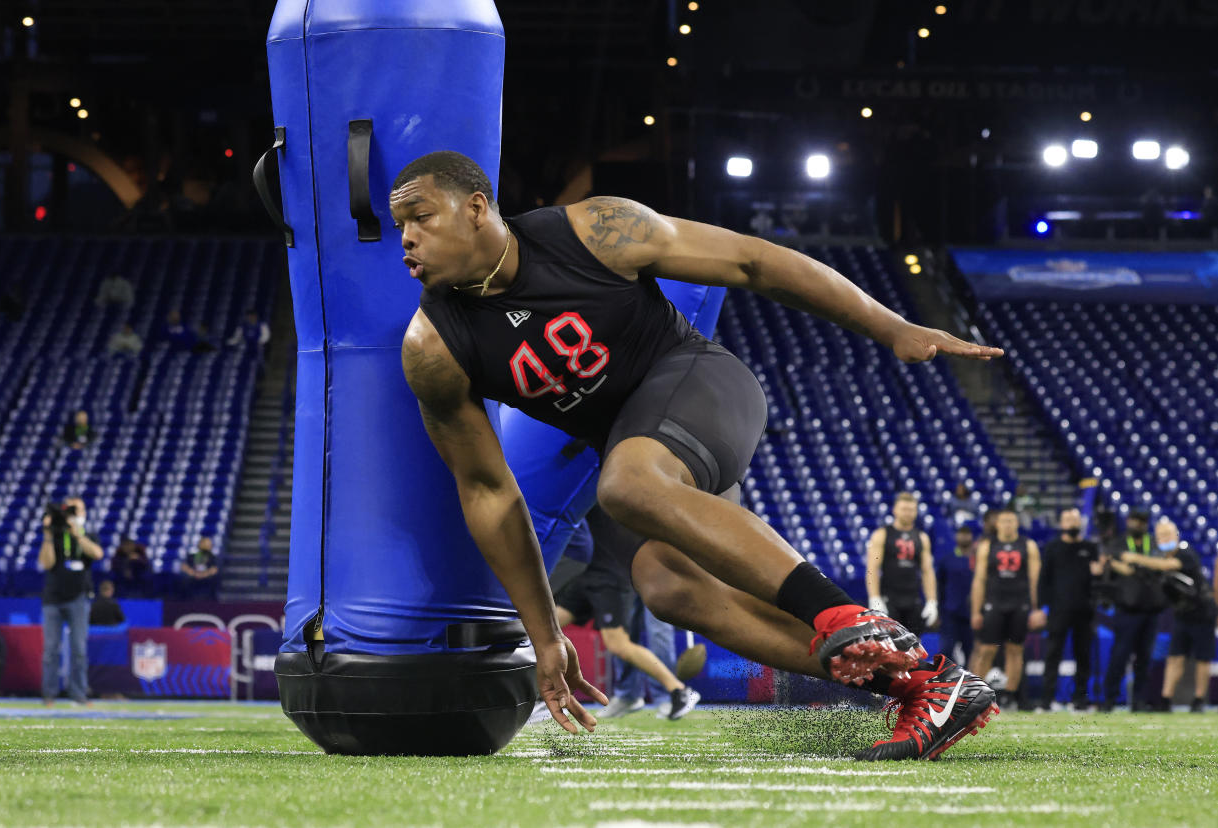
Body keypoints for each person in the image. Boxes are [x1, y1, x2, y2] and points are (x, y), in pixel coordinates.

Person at [392, 150, 1003, 756]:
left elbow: (751, 260)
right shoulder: (434, 348)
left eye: (420, 217)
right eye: (399, 227)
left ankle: (844, 616)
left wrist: (891, 326)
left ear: (476, 208)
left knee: (625, 485)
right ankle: (925, 683)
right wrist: (545, 632)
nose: (407, 240)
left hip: (701, 387)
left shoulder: (592, 230)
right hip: (650, 458)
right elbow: (488, 492)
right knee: (665, 585)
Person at [555, 509, 699, 720]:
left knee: (619, 644)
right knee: (546, 627)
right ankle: (534, 698)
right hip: (586, 573)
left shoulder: (599, 487)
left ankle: (678, 691)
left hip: (610, 577)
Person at [1126, 519, 1215, 713]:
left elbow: (1167, 565)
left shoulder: (1185, 552)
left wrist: (1136, 558)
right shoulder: (1160, 556)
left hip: (1202, 613)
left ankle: (1198, 700)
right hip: (1182, 614)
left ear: (1176, 535)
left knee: (1202, 658)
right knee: (1175, 657)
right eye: (1161, 536)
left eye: (1167, 534)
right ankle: (1165, 699)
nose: (1164, 539)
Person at [969, 509, 1043, 710]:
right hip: (994, 602)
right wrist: (976, 611)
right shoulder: (987, 546)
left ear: (1017, 523)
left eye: (1011, 521)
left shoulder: (1028, 545)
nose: (1008, 524)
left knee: (1015, 649)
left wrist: (1037, 608)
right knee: (986, 649)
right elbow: (979, 580)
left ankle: (1010, 694)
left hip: (1019, 603)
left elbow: (1036, 580)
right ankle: (975, 695)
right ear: (997, 524)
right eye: (1004, 521)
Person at [39, 497, 104, 706]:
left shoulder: (88, 535)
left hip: (79, 598)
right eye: (70, 511)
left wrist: (77, 535)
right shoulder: (55, 535)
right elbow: (46, 563)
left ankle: (79, 693)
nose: (74, 515)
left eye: (78, 510)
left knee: (78, 649)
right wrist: (48, 535)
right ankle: (49, 694)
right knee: (50, 649)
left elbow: (97, 553)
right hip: (53, 598)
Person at [1100, 510, 1166, 712]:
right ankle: (1110, 699)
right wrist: (1124, 565)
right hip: (1127, 609)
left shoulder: (1154, 544)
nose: (1138, 525)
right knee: (1119, 655)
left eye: (1142, 522)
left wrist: (1133, 561)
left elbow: (1160, 565)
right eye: (1135, 521)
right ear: (1128, 521)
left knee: (1145, 658)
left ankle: (1138, 700)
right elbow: (1109, 561)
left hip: (1151, 609)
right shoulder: (1118, 542)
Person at [1038, 508, 1102, 711]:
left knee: (1083, 656)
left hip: (1085, 611)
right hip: (1059, 610)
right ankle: (1047, 701)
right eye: (1067, 520)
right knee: (1053, 654)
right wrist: (1040, 607)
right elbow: (1044, 580)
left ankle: (1080, 700)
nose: (1072, 524)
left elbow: (1097, 579)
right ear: (1061, 524)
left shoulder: (1090, 547)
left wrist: (1099, 573)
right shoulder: (1052, 547)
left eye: (1075, 520)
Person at [865, 492, 938, 636]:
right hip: (889, 599)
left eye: (911, 510)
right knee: (889, 648)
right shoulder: (882, 534)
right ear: (895, 510)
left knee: (915, 647)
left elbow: (927, 571)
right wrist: (874, 597)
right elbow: (872, 569)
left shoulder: (922, 538)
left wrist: (932, 600)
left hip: (913, 599)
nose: (907, 513)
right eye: (904, 509)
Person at [934, 525, 977, 666]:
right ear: (956, 537)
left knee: (972, 652)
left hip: (972, 614)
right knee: (946, 651)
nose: (964, 537)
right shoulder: (947, 560)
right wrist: (939, 611)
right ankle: (946, 684)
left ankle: (970, 684)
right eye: (961, 534)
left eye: (967, 534)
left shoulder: (979, 561)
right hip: (950, 614)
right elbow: (939, 587)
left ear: (972, 537)